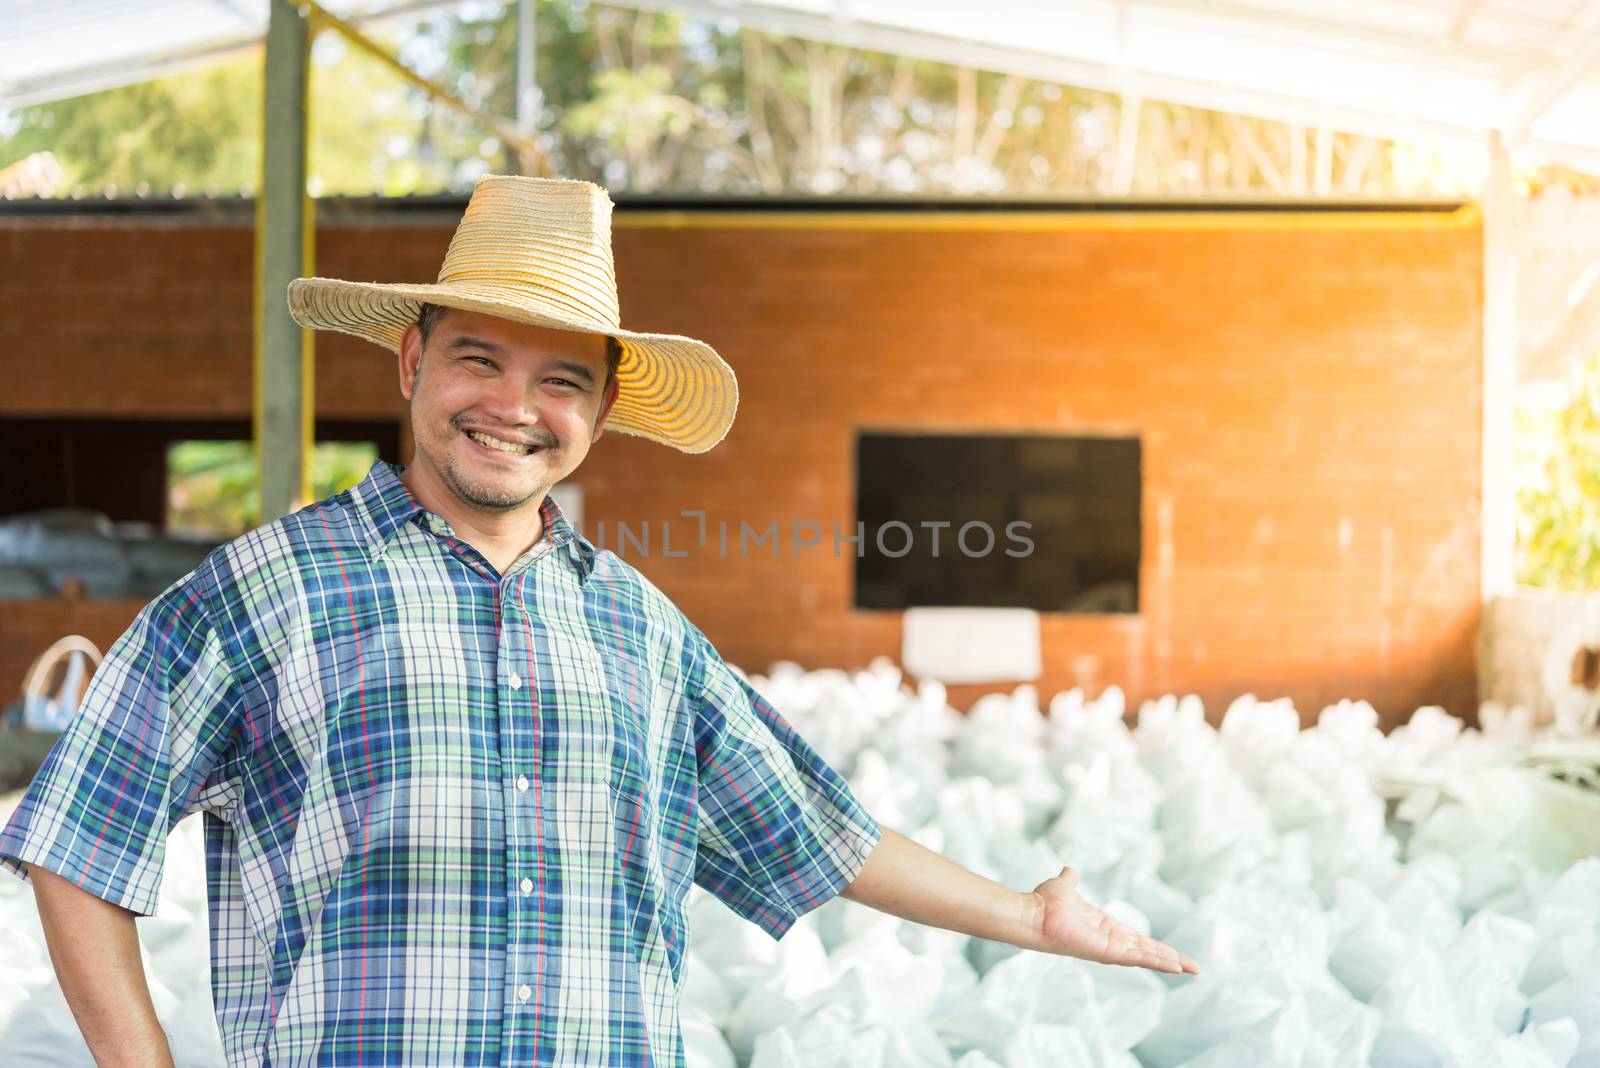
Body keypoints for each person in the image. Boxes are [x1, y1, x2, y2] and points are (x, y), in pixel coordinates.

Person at [0, 175, 1196, 1068]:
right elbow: (77, 845)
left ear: (604, 408)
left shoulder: (641, 630)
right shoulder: (261, 592)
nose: (513, 409)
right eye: (480, 359)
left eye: (560, 379)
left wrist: (1026, 915)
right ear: (411, 362)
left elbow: (817, 833)